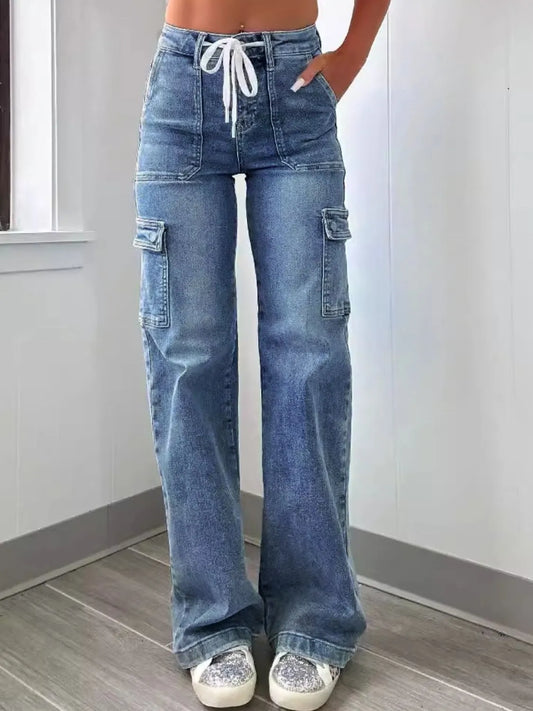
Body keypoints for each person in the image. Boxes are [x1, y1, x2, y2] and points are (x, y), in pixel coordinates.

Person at [133, 0, 390, 708]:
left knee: (307, 357)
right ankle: (213, 620)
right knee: (187, 362)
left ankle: (314, 621)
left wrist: (354, 50)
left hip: (296, 90)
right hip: (182, 86)